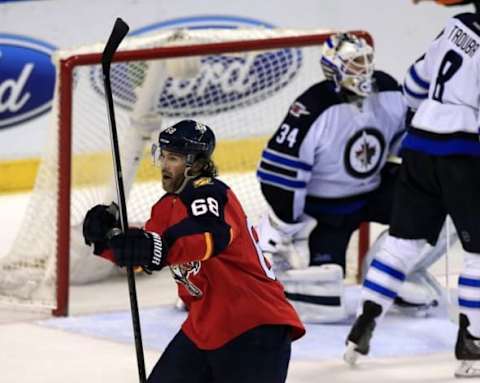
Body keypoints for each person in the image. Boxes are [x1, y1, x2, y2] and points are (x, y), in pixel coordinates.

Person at [82, 119, 305, 383]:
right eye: (162, 156)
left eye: (173, 158)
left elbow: (210, 235)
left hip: (253, 324)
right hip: (205, 327)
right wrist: (107, 240)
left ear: (197, 164)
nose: (164, 165)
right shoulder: (165, 208)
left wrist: (157, 249)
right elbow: (144, 259)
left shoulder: (211, 194)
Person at [256, 32, 443, 323]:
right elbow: (279, 174)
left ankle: (387, 271)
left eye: (367, 60)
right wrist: (288, 223)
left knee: (437, 204)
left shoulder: (389, 90)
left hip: (373, 192)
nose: (364, 68)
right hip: (327, 213)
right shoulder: (312, 107)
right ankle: (267, 255)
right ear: (334, 68)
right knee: (326, 303)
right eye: (355, 62)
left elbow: (406, 142)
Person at [344, 12, 480, 378]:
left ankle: (363, 324)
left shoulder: (458, 24)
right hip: (463, 156)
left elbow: (414, 84)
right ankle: (473, 344)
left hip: (419, 147)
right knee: (478, 256)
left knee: (402, 245)